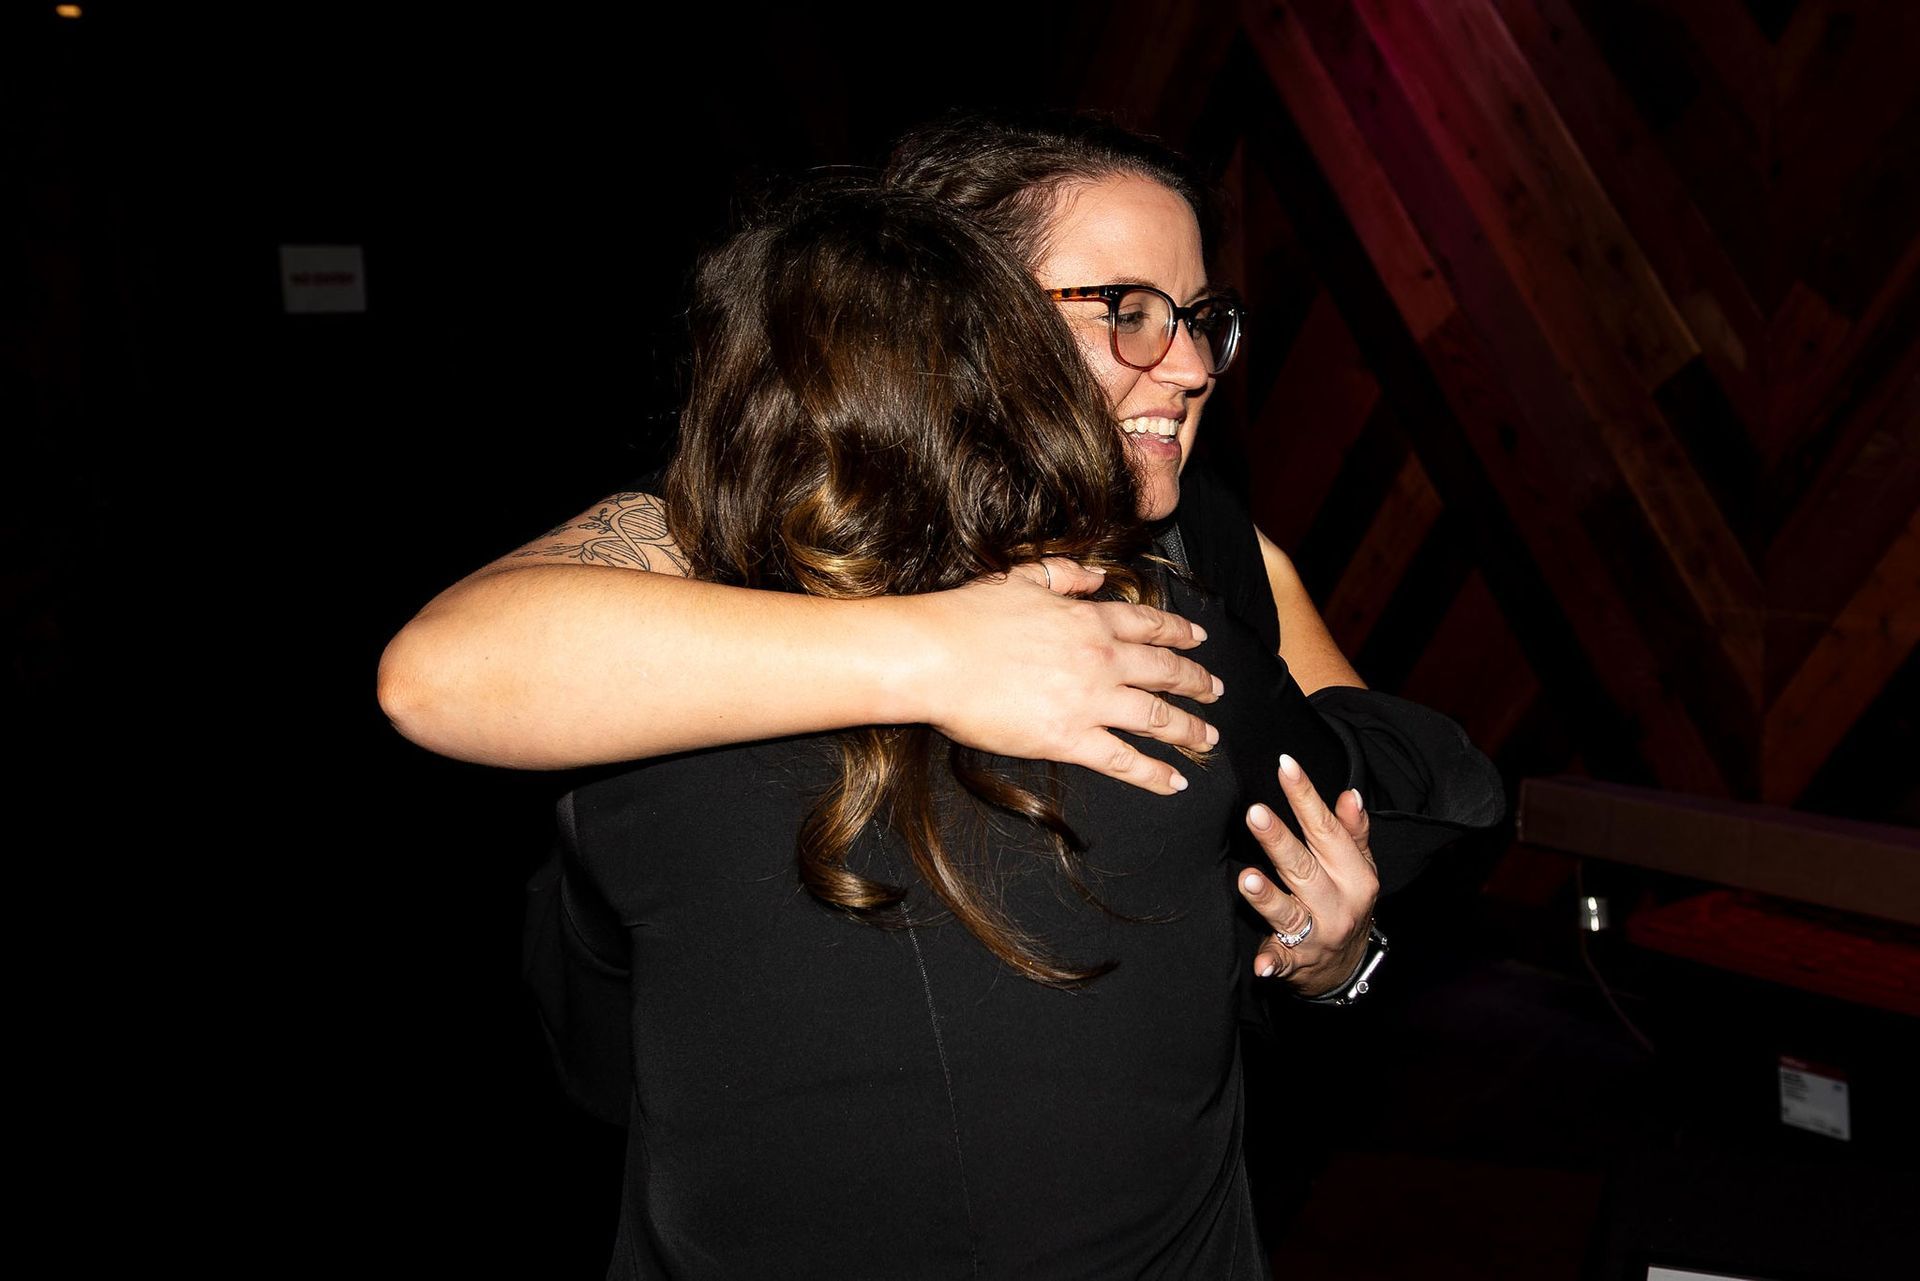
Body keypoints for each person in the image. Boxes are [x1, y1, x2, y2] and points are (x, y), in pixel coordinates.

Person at [379, 112, 1501, 1001]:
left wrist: (1338, 952)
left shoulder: (1198, 534)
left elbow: (1385, 789)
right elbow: (439, 673)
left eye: (1201, 317)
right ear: (951, 313)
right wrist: (934, 655)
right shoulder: (763, 522)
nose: (1193, 364)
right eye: (1129, 309)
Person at [559, 177, 1360, 1277]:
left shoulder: (612, 725)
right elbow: (1383, 822)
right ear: (1003, 381)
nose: (1186, 367)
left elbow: (598, 1067)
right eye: (1123, 312)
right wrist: (1342, 963)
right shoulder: (1170, 658)